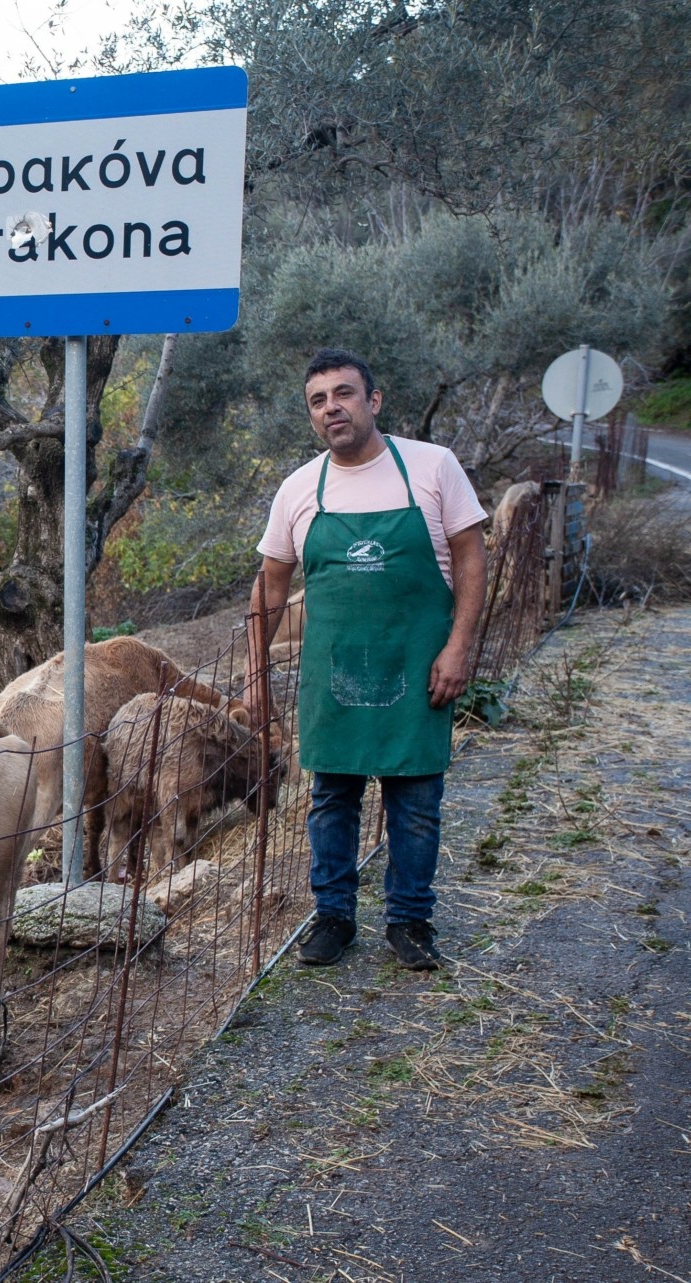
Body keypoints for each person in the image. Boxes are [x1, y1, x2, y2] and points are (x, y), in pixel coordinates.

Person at [247, 349, 488, 970]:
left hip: (419, 668)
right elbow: (271, 587)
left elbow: (470, 556)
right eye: (318, 400)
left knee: (416, 805)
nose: (333, 407)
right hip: (334, 675)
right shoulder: (300, 488)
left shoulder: (432, 468)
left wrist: (459, 647)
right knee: (330, 800)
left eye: (344, 393)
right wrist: (256, 676)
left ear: (373, 401)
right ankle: (333, 919)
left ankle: (409, 922)